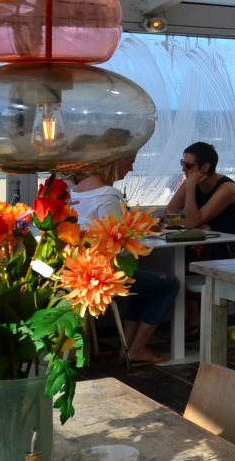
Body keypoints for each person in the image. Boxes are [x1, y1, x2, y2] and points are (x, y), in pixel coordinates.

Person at [71, 151, 180, 364]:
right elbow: (119, 246)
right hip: (105, 275)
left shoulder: (76, 191)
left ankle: (127, 347)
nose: (131, 169)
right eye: (130, 162)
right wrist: (137, 233)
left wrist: (140, 228)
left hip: (81, 270)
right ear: (115, 161)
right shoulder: (109, 195)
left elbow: (98, 229)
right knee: (169, 284)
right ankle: (136, 348)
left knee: (139, 280)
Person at [163, 141, 235, 237]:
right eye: (182, 163)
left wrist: (190, 187)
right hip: (209, 239)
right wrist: (198, 225)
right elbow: (167, 214)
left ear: (205, 167)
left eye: (188, 166)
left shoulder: (227, 188)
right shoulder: (190, 182)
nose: (183, 169)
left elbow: (191, 223)